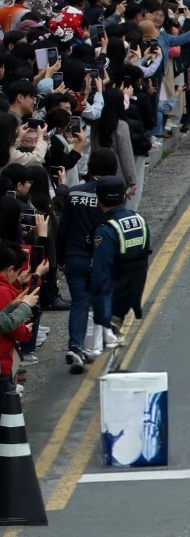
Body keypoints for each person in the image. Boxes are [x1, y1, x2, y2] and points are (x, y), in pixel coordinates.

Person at [57, 148, 120, 367]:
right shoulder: (113, 196)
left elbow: (63, 228)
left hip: (74, 256)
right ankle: (99, 347)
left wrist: (60, 257)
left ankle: (75, 346)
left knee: (79, 303)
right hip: (102, 259)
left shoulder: (74, 193)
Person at [88, 176, 150, 350]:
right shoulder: (140, 221)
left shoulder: (105, 230)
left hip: (112, 303)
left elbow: (101, 274)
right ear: (124, 197)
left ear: (98, 199)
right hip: (132, 294)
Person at [0, 244, 42, 394]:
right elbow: (6, 324)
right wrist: (24, 306)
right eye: (17, 272)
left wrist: (13, 305)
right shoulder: (3, 290)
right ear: (10, 269)